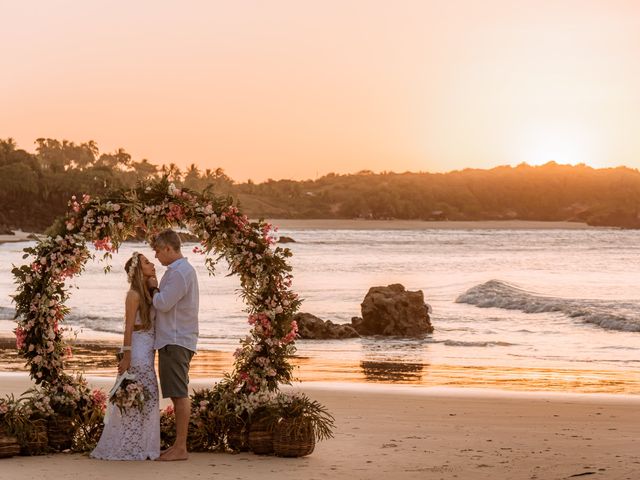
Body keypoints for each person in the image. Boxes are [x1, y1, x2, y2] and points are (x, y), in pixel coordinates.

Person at [91, 252, 160, 461]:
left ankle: (143, 445)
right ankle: (129, 446)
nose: (153, 264)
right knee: (135, 396)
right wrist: (126, 356)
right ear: (139, 270)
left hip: (149, 349)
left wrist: (154, 286)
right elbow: (128, 328)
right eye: (148, 263)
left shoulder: (149, 292)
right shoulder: (133, 295)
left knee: (149, 397)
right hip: (138, 349)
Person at [148, 229, 199, 461]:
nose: (157, 257)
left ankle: (180, 448)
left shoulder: (180, 273)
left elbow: (163, 303)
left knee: (179, 394)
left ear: (169, 248)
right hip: (174, 339)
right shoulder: (179, 271)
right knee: (176, 392)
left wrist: (152, 287)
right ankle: (178, 446)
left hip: (176, 340)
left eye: (158, 251)